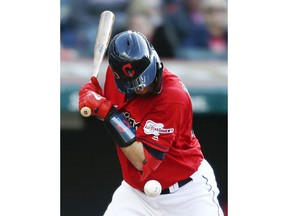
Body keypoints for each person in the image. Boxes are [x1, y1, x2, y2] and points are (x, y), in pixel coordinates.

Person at [78, 30, 224, 216]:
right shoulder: (114, 78)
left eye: (144, 79)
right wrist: (90, 95)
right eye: (134, 85)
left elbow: (143, 161)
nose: (143, 87)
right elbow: (97, 102)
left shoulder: (173, 96)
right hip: (136, 195)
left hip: (187, 193)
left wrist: (108, 113)